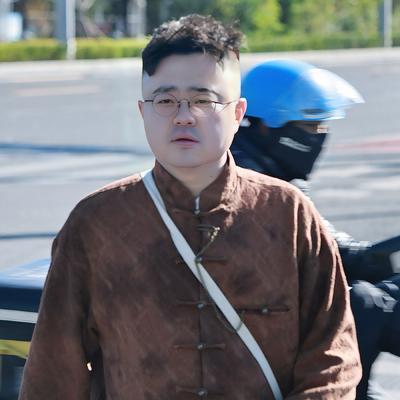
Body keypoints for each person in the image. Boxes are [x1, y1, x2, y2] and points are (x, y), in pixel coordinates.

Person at [19, 15, 361, 399]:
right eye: (165, 101)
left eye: (203, 100)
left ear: (237, 114)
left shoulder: (288, 213)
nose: (183, 116)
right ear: (143, 112)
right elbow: (54, 369)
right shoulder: (96, 222)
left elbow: (333, 357)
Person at [231, 58, 400, 400]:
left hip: (290, 321)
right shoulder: (246, 183)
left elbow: (324, 240)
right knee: (365, 303)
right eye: (310, 127)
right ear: (265, 125)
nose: (319, 137)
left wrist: (368, 255)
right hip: (261, 341)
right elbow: (303, 260)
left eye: (323, 127)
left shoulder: (272, 170)